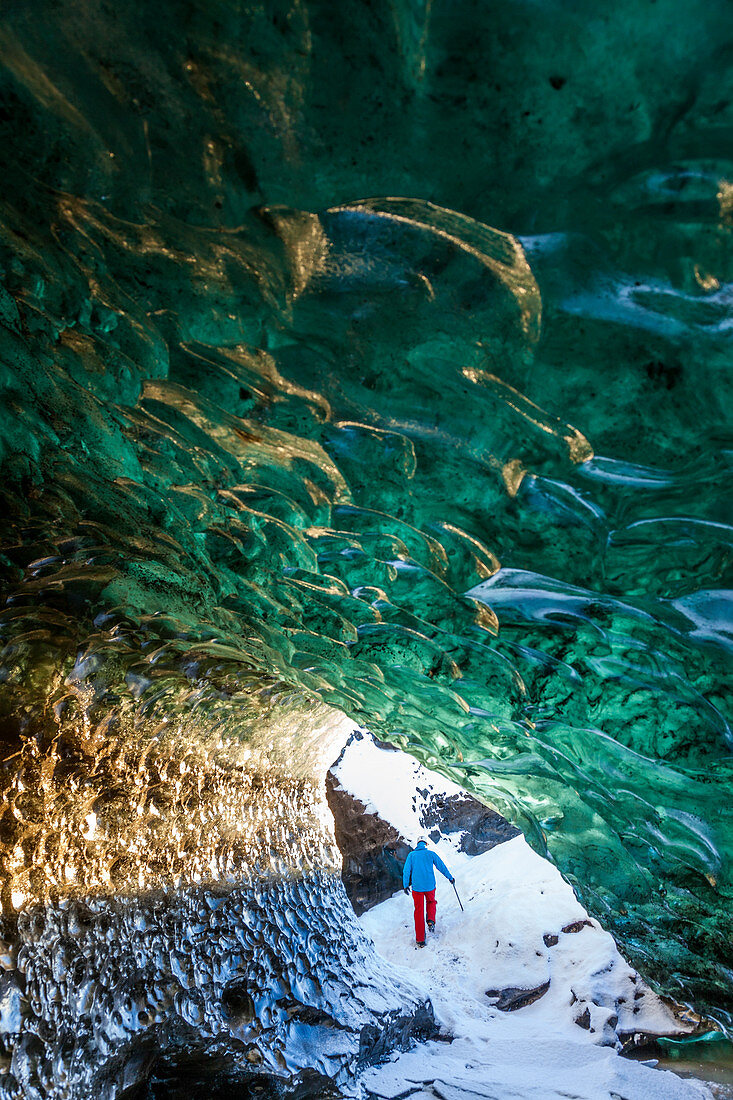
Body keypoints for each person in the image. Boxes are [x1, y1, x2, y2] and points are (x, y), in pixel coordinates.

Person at [402, 838, 454, 947]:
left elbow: (406, 870)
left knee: (419, 911)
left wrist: (406, 885)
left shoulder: (411, 855)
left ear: (417, 844)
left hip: (417, 888)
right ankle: (431, 920)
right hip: (430, 886)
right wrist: (450, 877)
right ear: (426, 844)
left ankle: (420, 940)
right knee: (431, 902)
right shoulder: (431, 854)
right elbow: (441, 866)